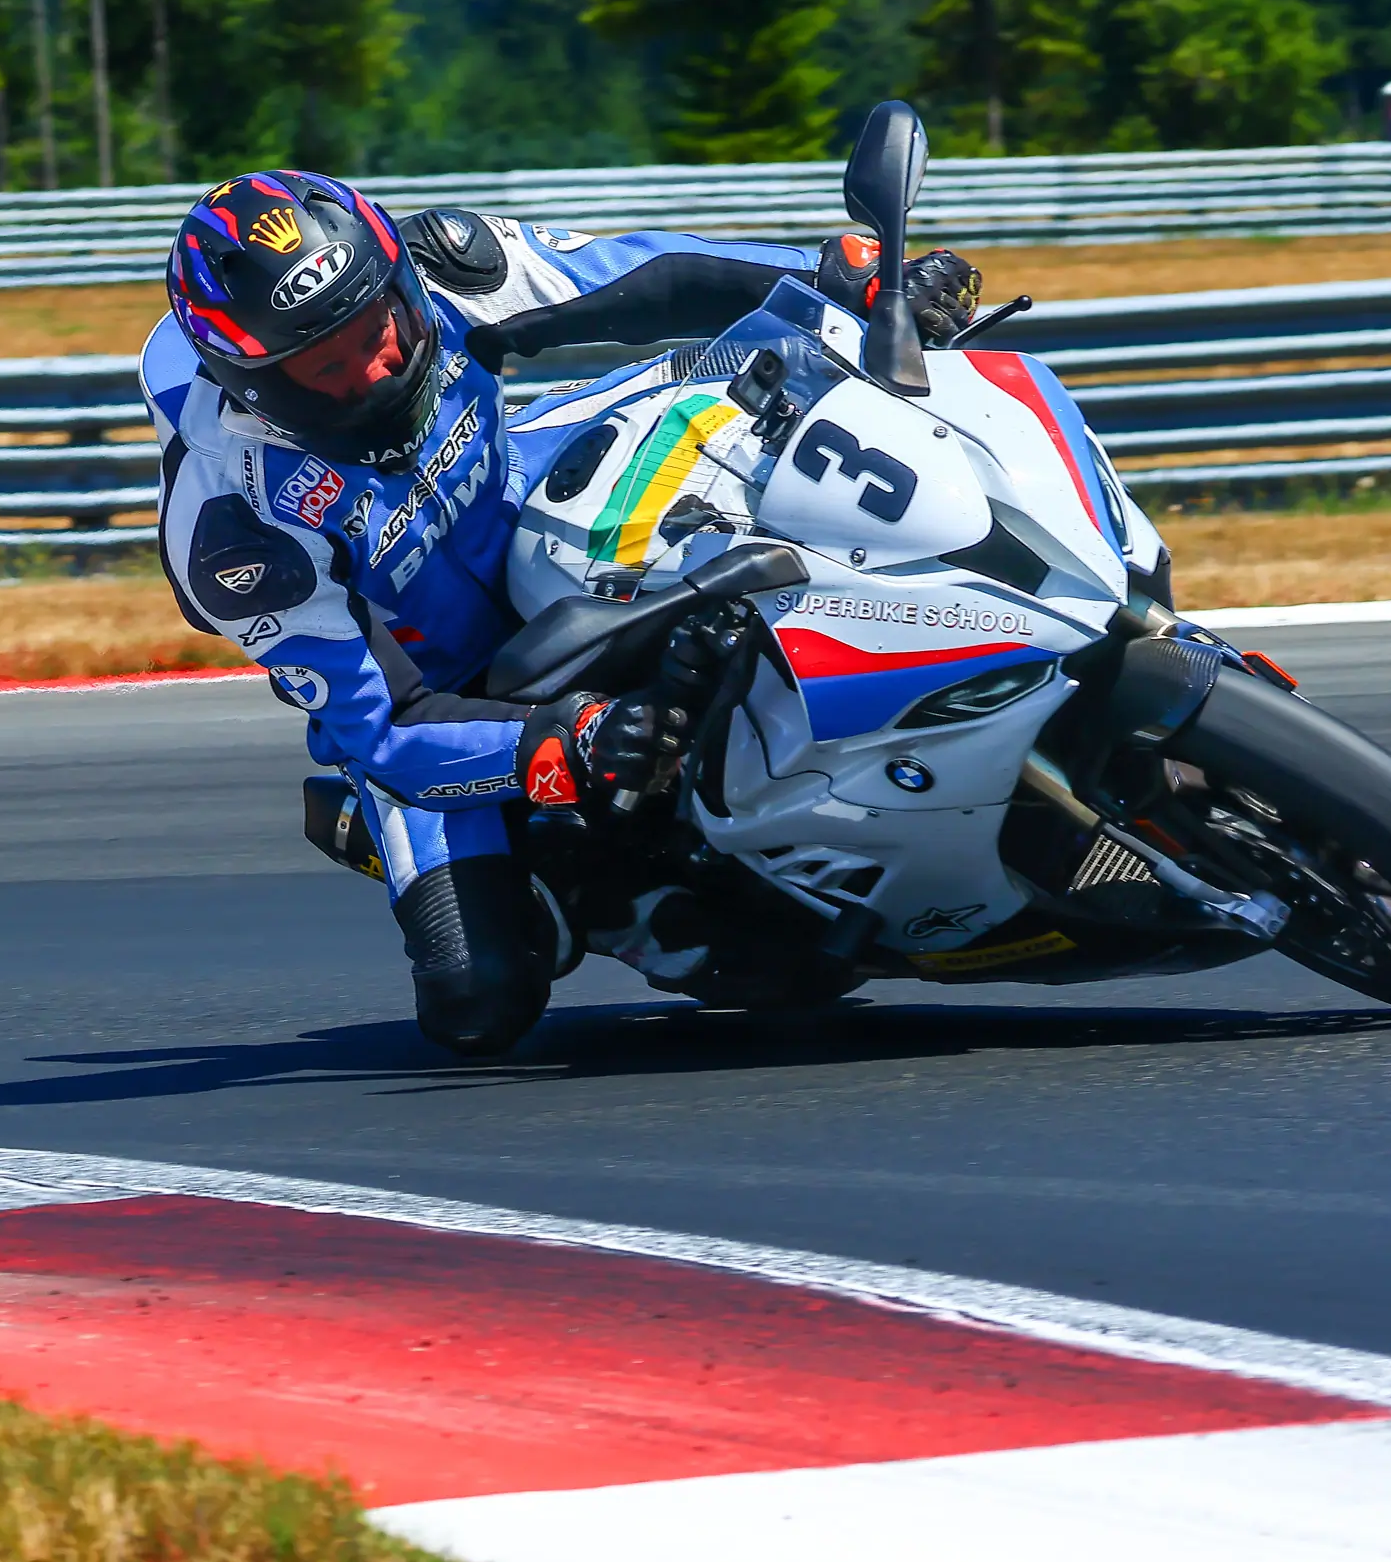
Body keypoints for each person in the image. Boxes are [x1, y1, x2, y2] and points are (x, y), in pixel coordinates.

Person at [144, 171, 981, 1056]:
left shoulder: (441, 267)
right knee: (480, 1000)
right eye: (328, 365)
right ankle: (581, 884)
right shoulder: (235, 531)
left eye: (377, 328)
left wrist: (838, 278)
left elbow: (649, 276)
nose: (376, 365)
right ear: (255, 384)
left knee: (767, 389)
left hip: (535, 503)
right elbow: (388, 725)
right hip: (447, 693)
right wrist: (564, 738)